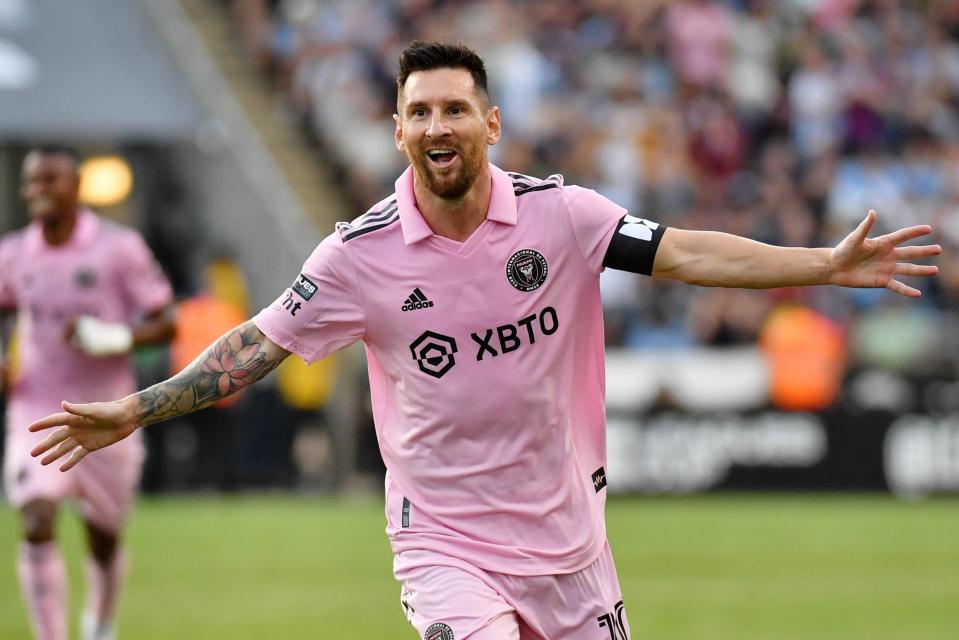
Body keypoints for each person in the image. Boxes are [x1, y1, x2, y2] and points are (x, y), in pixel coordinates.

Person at [29, 42, 940, 639]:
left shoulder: (564, 218)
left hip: (569, 539)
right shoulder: (357, 257)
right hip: (444, 541)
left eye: (453, 109)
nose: (436, 127)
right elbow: (253, 347)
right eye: (418, 112)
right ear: (395, 131)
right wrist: (133, 409)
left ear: (490, 124)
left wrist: (821, 263)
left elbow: (685, 251)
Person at [0, 146, 175, 640]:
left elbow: (166, 321)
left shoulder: (117, 249)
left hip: (106, 410)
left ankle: (99, 623)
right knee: (35, 518)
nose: (38, 191)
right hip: (36, 406)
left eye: (50, 180)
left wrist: (113, 337)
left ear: (76, 186)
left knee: (103, 538)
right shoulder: (13, 253)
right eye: (32, 181)